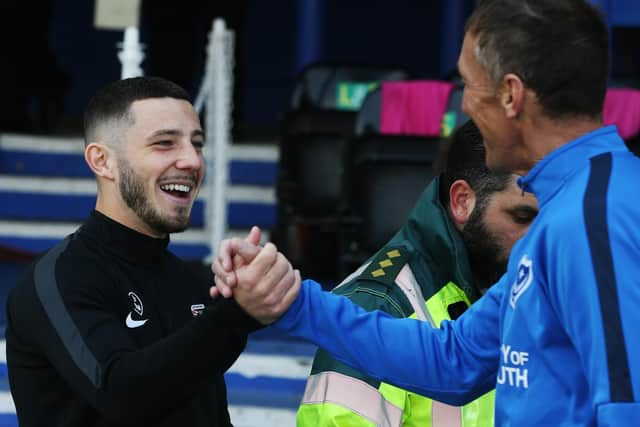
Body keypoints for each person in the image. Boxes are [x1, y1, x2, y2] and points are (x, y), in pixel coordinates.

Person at [213, 0, 640, 425]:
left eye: (470, 84)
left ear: (510, 95)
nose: (464, 106)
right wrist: (294, 302)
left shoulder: (595, 217)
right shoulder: (573, 206)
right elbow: (455, 360)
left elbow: (628, 408)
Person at [4, 76, 297, 427]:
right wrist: (235, 315)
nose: (192, 161)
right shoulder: (57, 280)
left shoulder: (192, 282)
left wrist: (262, 287)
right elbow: (122, 392)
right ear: (102, 161)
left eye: (197, 143)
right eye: (164, 143)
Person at [296, 120, 537, 427]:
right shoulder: (377, 305)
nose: (541, 238)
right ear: (463, 202)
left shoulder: (539, 287)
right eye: (523, 217)